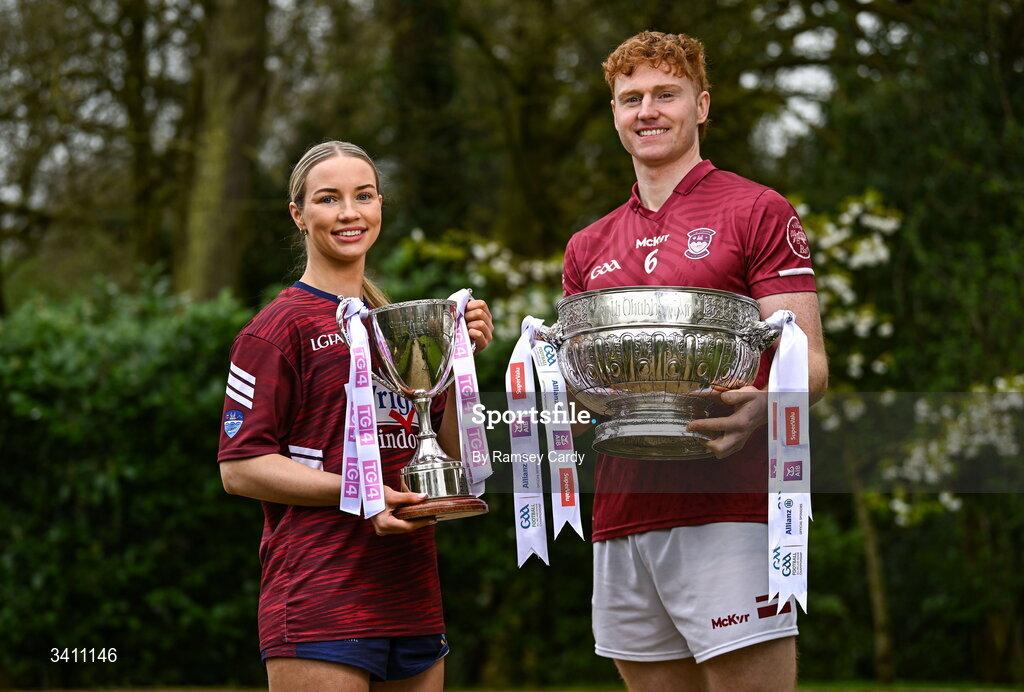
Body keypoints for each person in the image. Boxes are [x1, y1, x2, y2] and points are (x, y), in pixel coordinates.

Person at [561, 32, 828, 691]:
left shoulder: (757, 210)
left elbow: (811, 364)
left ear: (701, 106)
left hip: (728, 506)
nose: (647, 110)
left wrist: (764, 408)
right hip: (621, 514)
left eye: (665, 94)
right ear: (615, 113)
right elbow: (579, 385)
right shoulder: (586, 246)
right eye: (630, 98)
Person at [217, 141, 494, 692]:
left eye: (363, 196)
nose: (349, 212)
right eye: (329, 198)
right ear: (299, 215)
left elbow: (450, 454)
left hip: (412, 591)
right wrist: (364, 491)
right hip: (321, 597)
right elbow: (240, 467)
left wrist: (461, 365)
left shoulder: (399, 330)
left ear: (380, 207)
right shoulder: (277, 328)